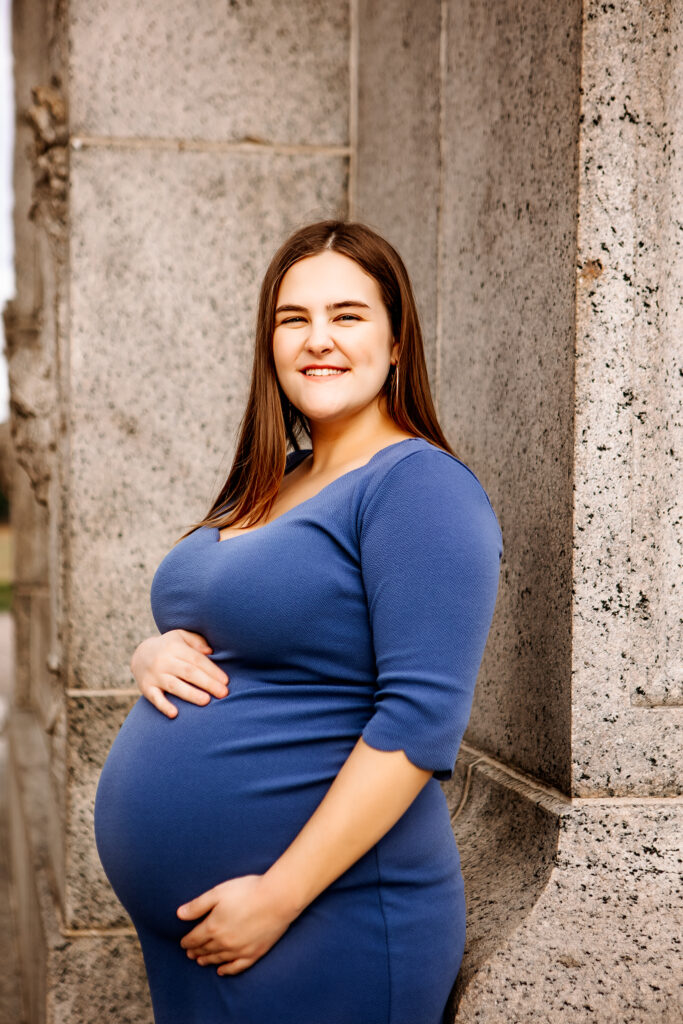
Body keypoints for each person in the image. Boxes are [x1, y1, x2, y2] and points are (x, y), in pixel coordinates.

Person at [94, 219, 503, 1024]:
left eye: (347, 315)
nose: (317, 340)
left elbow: (420, 723)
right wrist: (153, 651)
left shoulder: (419, 487)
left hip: (324, 923)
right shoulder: (277, 479)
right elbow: (231, 619)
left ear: (395, 343)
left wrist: (279, 897)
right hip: (207, 937)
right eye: (293, 319)